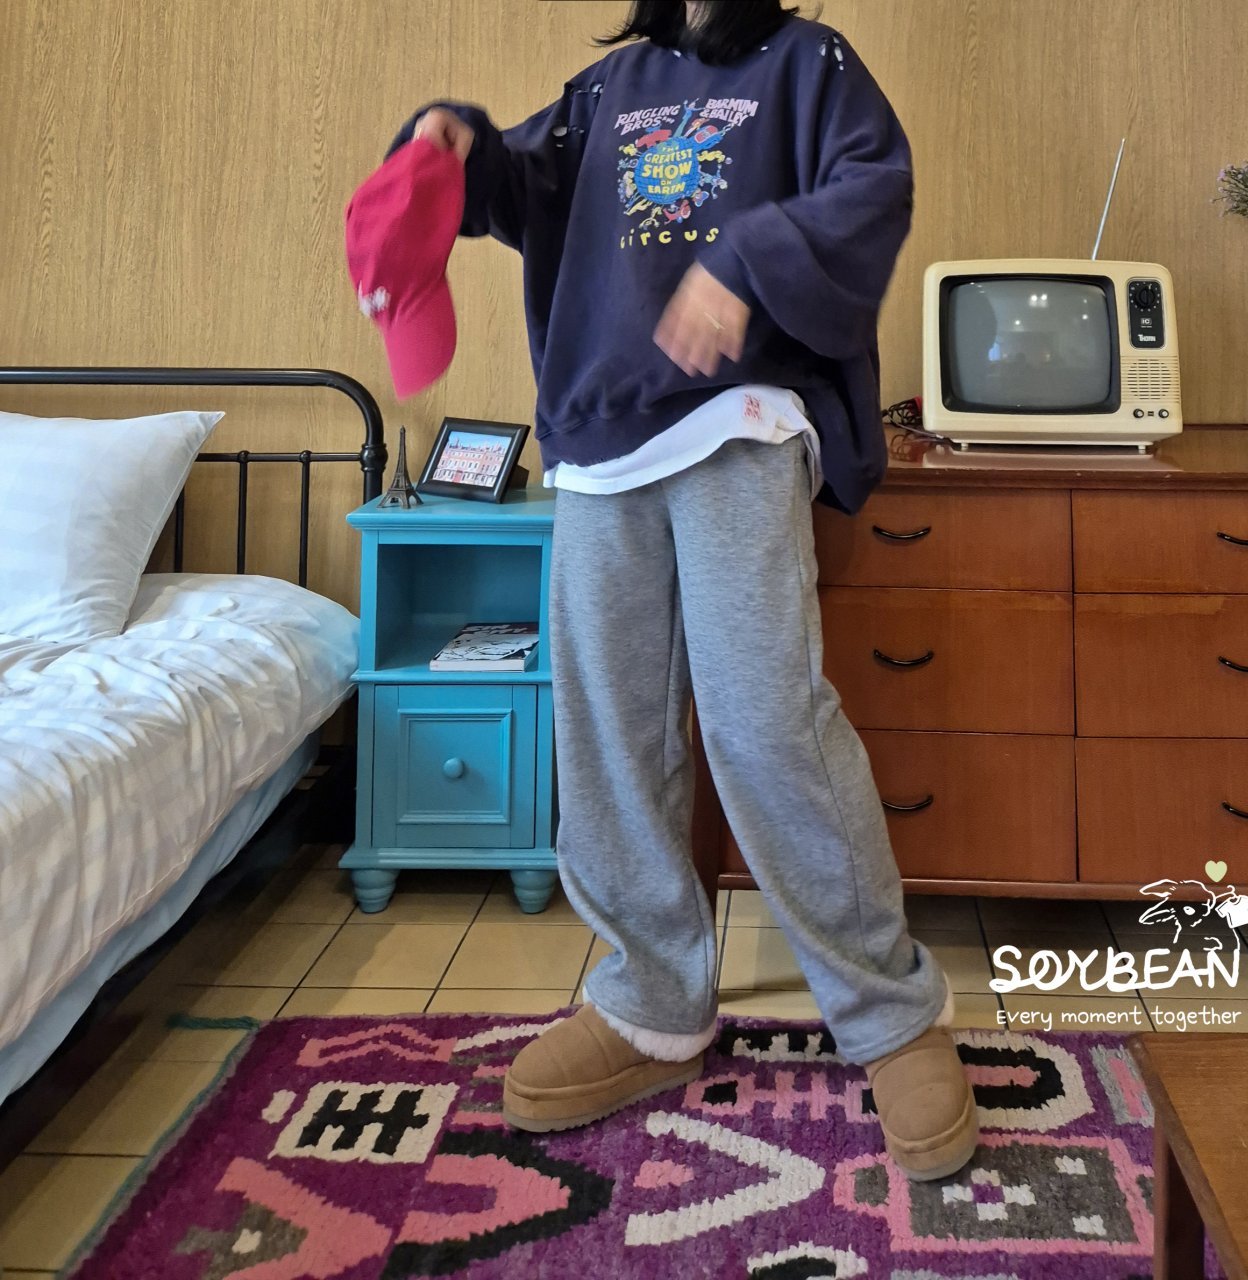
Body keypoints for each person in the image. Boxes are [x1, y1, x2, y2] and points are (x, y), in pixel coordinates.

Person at [386, 0, 978, 1181]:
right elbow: (519, 190)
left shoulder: (809, 64)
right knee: (606, 729)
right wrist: (455, 144)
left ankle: (887, 1012)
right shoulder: (604, 91)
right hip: (598, 444)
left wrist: (744, 262)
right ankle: (649, 1002)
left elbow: (873, 188)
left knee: (765, 723)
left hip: (737, 422)